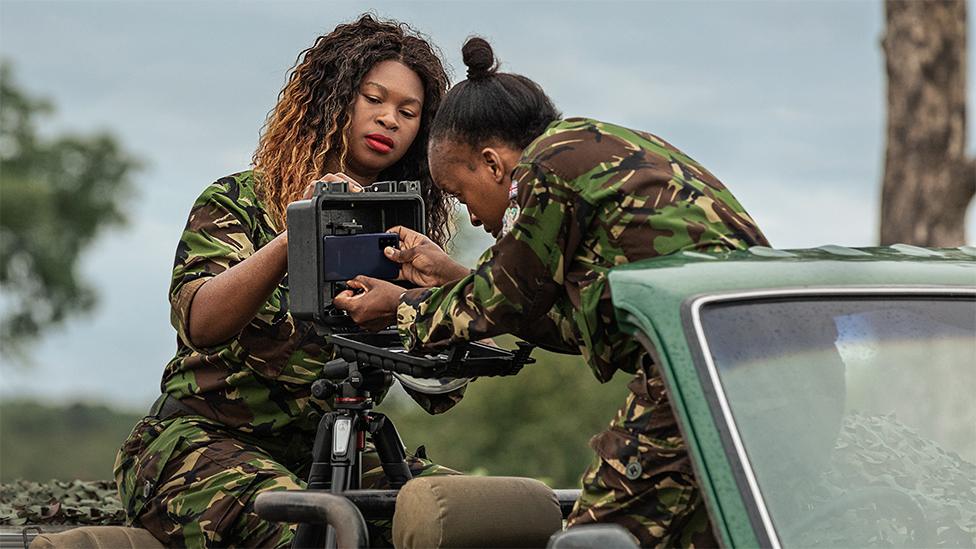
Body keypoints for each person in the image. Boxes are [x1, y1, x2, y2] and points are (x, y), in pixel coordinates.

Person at [334, 37, 770, 546]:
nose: (473, 217)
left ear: (495, 165)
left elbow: (503, 298)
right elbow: (557, 318)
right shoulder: (608, 149)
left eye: (460, 193)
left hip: (702, 379)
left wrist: (400, 307)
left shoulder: (549, 165)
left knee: (593, 538)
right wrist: (455, 278)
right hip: (767, 373)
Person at [114, 15, 461, 548]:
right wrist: (297, 235)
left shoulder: (405, 237)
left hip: (339, 445)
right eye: (374, 98)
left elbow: (440, 391)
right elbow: (200, 321)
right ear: (335, 100)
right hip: (203, 443)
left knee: (468, 520)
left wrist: (428, 298)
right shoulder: (239, 202)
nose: (389, 119)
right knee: (316, 532)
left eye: (408, 112)